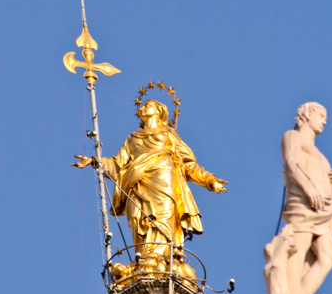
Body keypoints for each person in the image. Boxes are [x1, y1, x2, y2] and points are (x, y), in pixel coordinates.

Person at [74, 99, 227, 276]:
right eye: (143, 105)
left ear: (159, 111)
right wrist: (94, 161)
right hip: (137, 184)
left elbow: (189, 165)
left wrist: (210, 180)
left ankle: (164, 258)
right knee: (140, 220)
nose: (142, 107)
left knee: (163, 219)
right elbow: (117, 165)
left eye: (148, 105)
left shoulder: (168, 134)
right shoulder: (132, 139)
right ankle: (146, 259)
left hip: (164, 182)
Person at [271, 102, 332, 294]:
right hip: (303, 203)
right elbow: (291, 162)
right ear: (306, 114)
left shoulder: (322, 156)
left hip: (323, 211)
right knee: (299, 247)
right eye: (321, 114)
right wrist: (309, 188)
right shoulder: (292, 136)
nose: (325, 120)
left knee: (329, 258)